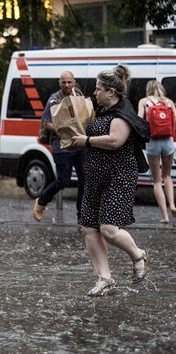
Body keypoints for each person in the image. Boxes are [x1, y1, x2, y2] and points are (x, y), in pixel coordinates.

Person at [71, 64, 150, 297]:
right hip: (95, 177)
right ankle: (105, 279)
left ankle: (138, 254)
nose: (95, 93)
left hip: (119, 177)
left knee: (108, 229)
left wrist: (86, 140)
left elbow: (115, 141)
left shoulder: (123, 113)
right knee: (89, 228)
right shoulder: (102, 111)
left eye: (98, 89)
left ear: (111, 92)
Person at [33, 71, 86, 223]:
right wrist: (64, 129)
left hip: (79, 144)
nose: (67, 85)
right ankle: (41, 202)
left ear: (74, 82)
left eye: (69, 82)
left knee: (85, 178)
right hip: (61, 145)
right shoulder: (54, 99)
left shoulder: (79, 96)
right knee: (64, 179)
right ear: (59, 83)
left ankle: (81, 214)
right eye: (64, 82)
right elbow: (46, 123)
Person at [137, 80, 176, 224]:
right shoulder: (169, 102)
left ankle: (165, 216)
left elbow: (139, 120)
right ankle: (172, 205)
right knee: (167, 176)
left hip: (153, 142)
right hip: (168, 141)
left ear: (148, 89)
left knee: (157, 180)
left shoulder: (144, 102)